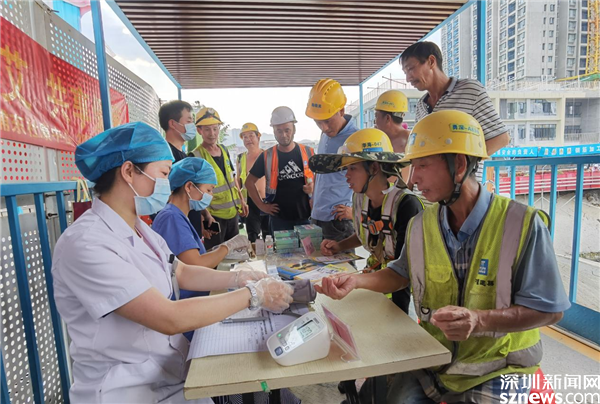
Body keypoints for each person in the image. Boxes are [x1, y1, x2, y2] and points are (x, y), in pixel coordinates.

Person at [316, 111, 570, 403]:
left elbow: (550, 310)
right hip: (436, 361)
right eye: (413, 166)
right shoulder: (422, 224)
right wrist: (356, 281)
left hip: (500, 368)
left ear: (459, 164)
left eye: (423, 165)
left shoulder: (521, 224)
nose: (414, 178)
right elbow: (400, 274)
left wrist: (479, 320)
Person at [52, 122, 294, 403]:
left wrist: (238, 278)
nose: (167, 185)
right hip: (128, 389)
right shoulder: (86, 243)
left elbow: (180, 271)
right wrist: (254, 294)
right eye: (164, 174)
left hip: (170, 375)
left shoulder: (141, 230)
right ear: (128, 171)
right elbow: (168, 317)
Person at [309, 128, 423, 313]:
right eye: (346, 169)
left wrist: (398, 313)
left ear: (374, 168)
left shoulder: (406, 205)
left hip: (395, 290)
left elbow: (404, 272)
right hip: (370, 282)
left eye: (353, 168)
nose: (346, 175)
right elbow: (367, 232)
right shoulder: (360, 198)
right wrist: (339, 246)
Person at [152, 158, 253, 339]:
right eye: (208, 190)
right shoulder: (171, 218)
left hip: (195, 299)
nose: (211, 195)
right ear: (189, 186)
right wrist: (228, 246)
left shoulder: (180, 216)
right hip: (186, 306)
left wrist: (219, 250)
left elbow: (191, 256)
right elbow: (196, 264)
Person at [400, 41, 510, 187]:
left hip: (460, 192)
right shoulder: (421, 105)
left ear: (431, 61)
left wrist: (460, 168)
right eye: (405, 73)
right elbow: (418, 153)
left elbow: (501, 138)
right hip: (426, 193)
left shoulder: (470, 90)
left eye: (410, 69)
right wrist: (408, 187)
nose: (408, 78)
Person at [245, 106, 315, 232]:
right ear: (274, 132)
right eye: (279, 131)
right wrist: (262, 206)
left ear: (294, 129)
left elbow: (321, 179)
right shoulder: (267, 156)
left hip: (306, 217)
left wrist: (313, 187)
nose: (283, 135)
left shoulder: (308, 153)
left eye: (287, 130)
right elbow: (249, 182)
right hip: (279, 220)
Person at [305, 78, 357, 242]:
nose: (324, 128)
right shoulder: (325, 134)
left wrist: (354, 211)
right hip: (318, 216)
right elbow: (321, 173)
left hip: (339, 221)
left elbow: (370, 180)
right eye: (318, 122)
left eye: (327, 121)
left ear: (341, 111)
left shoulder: (356, 139)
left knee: (343, 260)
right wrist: (314, 197)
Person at [157, 100, 214, 240]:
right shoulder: (164, 157)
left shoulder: (183, 155)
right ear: (173, 124)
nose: (192, 125)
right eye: (189, 121)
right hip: (178, 230)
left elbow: (193, 191)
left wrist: (204, 213)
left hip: (190, 224)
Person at [192, 107, 248, 249]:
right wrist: (203, 218)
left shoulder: (224, 149)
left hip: (233, 214)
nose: (212, 134)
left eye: (215, 129)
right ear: (199, 130)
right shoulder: (195, 156)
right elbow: (193, 192)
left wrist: (241, 200)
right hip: (213, 217)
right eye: (207, 129)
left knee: (235, 254)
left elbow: (232, 177)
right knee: (215, 255)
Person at [236, 122, 270, 242]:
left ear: (258, 137)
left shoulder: (268, 156)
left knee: (269, 236)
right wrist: (240, 202)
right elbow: (238, 182)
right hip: (250, 203)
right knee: (253, 237)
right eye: (245, 137)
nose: (248, 140)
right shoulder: (240, 158)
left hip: (268, 200)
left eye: (251, 136)